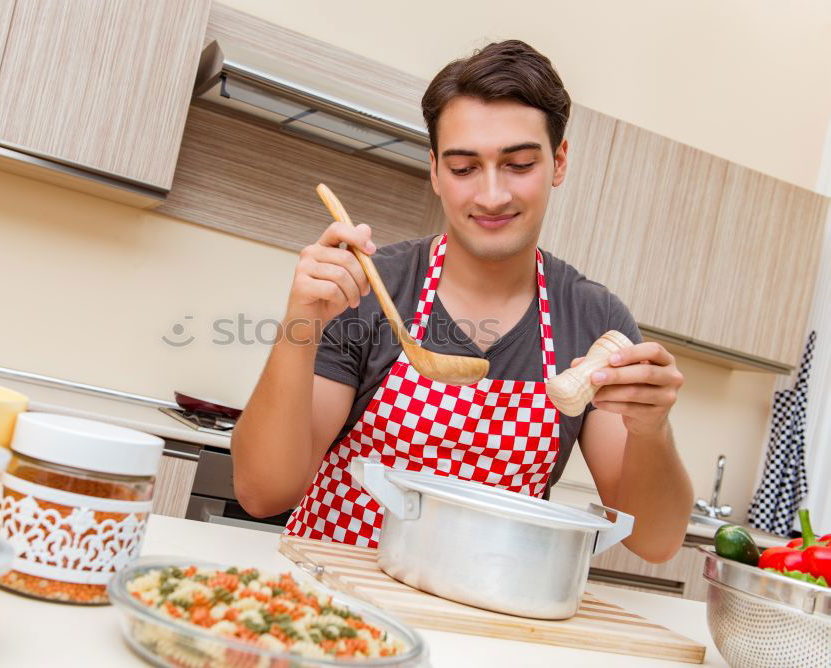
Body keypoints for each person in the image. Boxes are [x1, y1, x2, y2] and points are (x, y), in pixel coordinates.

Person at [231, 39, 692, 563]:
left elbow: (654, 542)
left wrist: (652, 429)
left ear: (559, 161)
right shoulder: (370, 290)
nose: (492, 195)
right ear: (434, 170)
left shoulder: (594, 319)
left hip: (486, 621)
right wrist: (300, 325)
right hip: (335, 607)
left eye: (518, 164)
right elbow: (262, 491)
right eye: (464, 168)